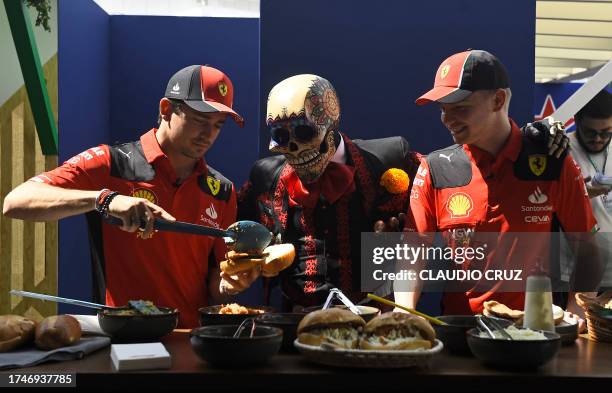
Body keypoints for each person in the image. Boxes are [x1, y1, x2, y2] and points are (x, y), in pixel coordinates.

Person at [228, 73, 567, 311]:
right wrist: (241, 265)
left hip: (374, 321)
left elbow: (465, 169)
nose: (294, 148)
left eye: (303, 132)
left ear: (331, 125)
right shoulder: (265, 177)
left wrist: (529, 141)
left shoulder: (391, 159)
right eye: (281, 138)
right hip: (293, 324)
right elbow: (232, 238)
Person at [3, 65, 256, 327]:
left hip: (191, 341)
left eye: (218, 125)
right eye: (200, 120)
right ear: (166, 109)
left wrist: (228, 285)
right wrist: (105, 200)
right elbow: (16, 201)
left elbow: (216, 281)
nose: (209, 134)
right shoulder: (111, 163)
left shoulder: (222, 190)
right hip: (123, 337)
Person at [395, 49, 602, 320]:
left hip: (534, 334)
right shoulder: (435, 168)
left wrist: (576, 316)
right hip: (460, 335)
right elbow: (412, 254)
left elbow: (587, 253)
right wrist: (404, 312)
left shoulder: (553, 162)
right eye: (443, 110)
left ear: (498, 100)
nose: (447, 119)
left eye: (460, 108)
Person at [560, 90, 612, 294]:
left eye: (607, 132)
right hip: (573, 274)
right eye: (591, 132)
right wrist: (575, 196)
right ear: (576, 121)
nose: (599, 139)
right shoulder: (561, 151)